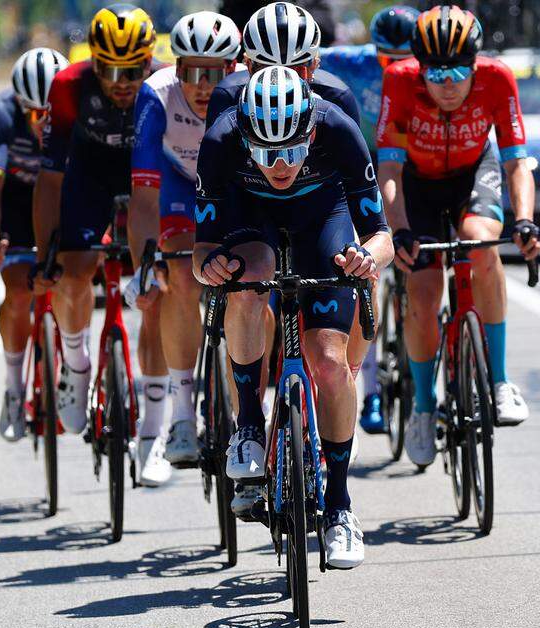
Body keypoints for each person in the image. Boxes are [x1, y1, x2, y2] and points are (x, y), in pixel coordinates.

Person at [194, 66, 393, 568]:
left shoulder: (339, 128)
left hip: (321, 219)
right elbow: (201, 254)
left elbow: (380, 236)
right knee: (246, 281)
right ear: (245, 135)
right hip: (251, 217)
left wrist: (368, 257)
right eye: (265, 153)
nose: (279, 165)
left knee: (329, 363)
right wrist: (212, 266)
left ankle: (341, 508)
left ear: (312, 129)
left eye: (291, 149)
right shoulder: (220, 139)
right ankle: (248, 424)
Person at [376, 5, 540, 469]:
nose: (448, 83)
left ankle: (501, 381)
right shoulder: (400, 82)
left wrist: (525, 220)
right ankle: (425, 410)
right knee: (425, 291)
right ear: (420, 68)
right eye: (436, 71)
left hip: (474, 172)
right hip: (419, 185)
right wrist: (399, 228)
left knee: (482, 245)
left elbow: (515, 163)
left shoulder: (497, 78)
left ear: (475, 63)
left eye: (458, 70)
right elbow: (388, 168)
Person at [126, 11, 242, 486]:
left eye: (214, 73)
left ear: (235, 68)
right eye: (190, 71)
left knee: (254, 284)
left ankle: (248, 413)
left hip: (233, 188)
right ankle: (180, 415)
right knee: (177, 274)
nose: (201, 85)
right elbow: (143, 198)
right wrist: (143, 265)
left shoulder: (252, 93)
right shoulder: (156, 94)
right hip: (178, 186)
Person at [33, 4, 157, 439]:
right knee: (74, 272)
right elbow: (49, 179)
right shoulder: (68, 86)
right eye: (109, 70)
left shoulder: (162, 85)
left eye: (133, 71)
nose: (121, 84)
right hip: (88, 170)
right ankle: (76, 362)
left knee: (162, 277)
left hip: (145, 169)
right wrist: (45, 250)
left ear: (149, 60)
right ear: (93, 62)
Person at [317, 5, 417, 434]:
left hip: (406, 167)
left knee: (420, 263)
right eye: (384, 57)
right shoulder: (348, 61)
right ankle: (371, 389)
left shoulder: (422, 75)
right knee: (365, 273)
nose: (392, 66)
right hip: (360, 170)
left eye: (402, 58)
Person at [0, 48, 70, 440]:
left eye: (49, 113)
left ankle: (73, 370)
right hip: (16, 209)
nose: (43, 123)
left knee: (75, 281)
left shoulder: (73, 109)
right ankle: (15, 387)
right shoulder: (1, 112)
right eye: (35, 115)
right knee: (17, 292)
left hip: (63, 203)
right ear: (20, 104)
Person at [205, 2, 360, 130]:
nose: (281, 83)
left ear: (314, 65)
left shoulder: (338, 97)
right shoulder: (226, 95)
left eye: (296, 71)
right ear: (248, 66)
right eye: (267, 72)